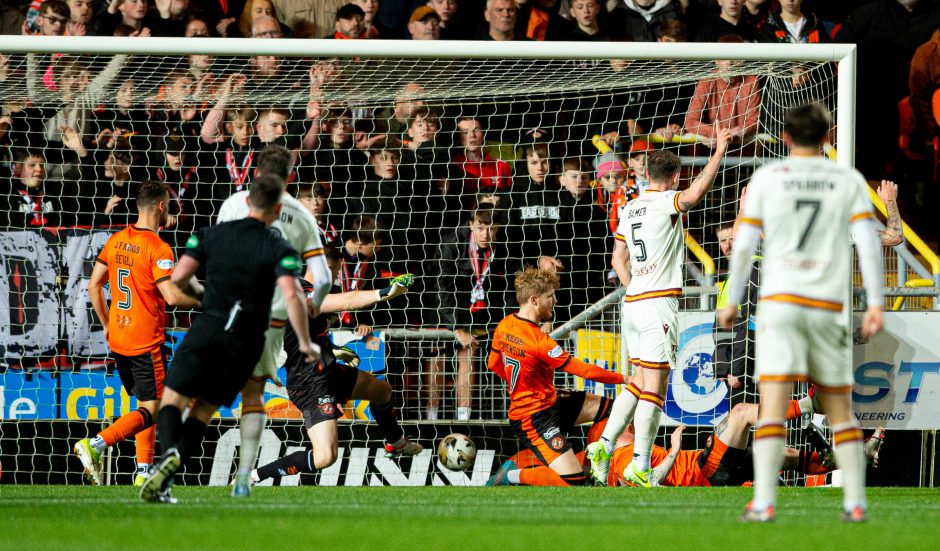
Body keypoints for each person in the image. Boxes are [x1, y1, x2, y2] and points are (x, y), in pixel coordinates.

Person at [717, 102, 885, 522]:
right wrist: (876, 303)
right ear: (828, 136)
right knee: (840, 409)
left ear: (786, 138)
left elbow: (743, 244)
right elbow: (866, 241)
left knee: (772, 407)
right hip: (826, 306)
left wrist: (732, 299)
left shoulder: (768, 178)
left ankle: (763, 502)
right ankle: (855, 502)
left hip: (780, 306)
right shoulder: (845, 179)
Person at [138, 174, 318, 504]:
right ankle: (170, 470)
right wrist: (305, 343)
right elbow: (293, 296)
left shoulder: (210, 234)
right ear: (277, 210)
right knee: (203, 410)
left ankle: (166, 460)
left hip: (207, 327)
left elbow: (178, 279)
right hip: (245, 340)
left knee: (172, 402)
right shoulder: (280, 247)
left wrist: (204, 295)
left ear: (248, 202)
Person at [586, 128, 732, 487]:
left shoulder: (630, 206)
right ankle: (638, 462)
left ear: (646, 174)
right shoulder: (667, 201)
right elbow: (696, 194)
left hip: (633, 302)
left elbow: (617, 257)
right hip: (657, 303)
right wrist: (719, 152)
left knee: (638, 381)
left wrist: (634, 284)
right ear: (676, 176)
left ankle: (604, 444)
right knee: (656, 384)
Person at [245, 245, 420, 486]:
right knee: (325, 456)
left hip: (328, 371)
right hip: (310, 383)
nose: (334, 276)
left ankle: (396, 442)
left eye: (336, 271)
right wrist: (384, 292)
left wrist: (333, 351)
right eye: (330, 270)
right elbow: (347, 299)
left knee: (381, 391)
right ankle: (254, 475)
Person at [216, 148, 332, 497]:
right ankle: (247, 476)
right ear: (289, 176)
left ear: (255, 172)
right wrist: (316, 304)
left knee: (245, 391)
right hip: (285, 310)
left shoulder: (234, 204)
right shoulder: (300, 214)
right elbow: (323, 278)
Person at [74, 181, 200, 487]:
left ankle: (142, 471)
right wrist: (206, 300)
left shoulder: (117, 240)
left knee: (145, 404)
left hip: (118, 336)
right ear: (160, 206)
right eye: (168, 205)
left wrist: (105, 323)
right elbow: (170, 296)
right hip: (145, 340)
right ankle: (96, 444)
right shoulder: (159, 249)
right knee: (155, 407)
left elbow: (93, 285)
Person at [485, 268, 625, 487]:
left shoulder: (504, 326)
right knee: (573, 482)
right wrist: (625, 378)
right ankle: (512, 475)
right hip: (533, 418)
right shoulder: (539, 342)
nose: (555, 300)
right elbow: (583, 370)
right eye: (550, 296)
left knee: (615, 410)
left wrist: (522, 384)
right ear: (534, 300)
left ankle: (595, 465)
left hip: (551, 399)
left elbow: (492, 364)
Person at [608, 400, 884, 487]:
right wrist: (675, 451)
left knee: (783, 455)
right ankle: (811, 404)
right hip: (707, 472)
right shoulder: (621, 458)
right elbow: (649, 483)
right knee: (740, 413)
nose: (631, 421)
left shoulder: (638, 447)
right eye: (625, 421)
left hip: (711, 465)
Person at [426, 205, 514, 421]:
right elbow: (442, 287)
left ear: (499, 228)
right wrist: (456, 327)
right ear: (471, 224)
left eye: (491, 229)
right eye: (481, 228)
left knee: (468, 353)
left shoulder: (505, 246)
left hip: (476, 311)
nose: (486, 234)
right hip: (441, 307)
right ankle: (430, 417)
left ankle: (464, 418)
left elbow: (510, 287)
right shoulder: (451, 243)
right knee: (437, 355)